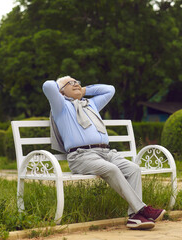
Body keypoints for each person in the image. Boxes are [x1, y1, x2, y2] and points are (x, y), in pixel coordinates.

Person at [42, 76, 166, 230]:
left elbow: (110, 89)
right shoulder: (60, 107)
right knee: (111, 169)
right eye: (71, 83)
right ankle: (142, 210)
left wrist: (82, 89)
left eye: (77, 82)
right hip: (81, 156)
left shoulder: (91, 104)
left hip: (106, 152)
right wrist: (61, 89)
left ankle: (134, 217)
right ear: (60, 91)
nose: (76, 84)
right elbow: (47, 86)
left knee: (133, 169)